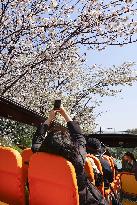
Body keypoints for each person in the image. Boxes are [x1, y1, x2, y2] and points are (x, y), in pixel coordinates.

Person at [32, 107, 108, 205]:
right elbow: (79, 137)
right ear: (70, 144)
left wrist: (49, 119)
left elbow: (37, 140)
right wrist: (64, 114)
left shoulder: (38, 155)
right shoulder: (78, 160)